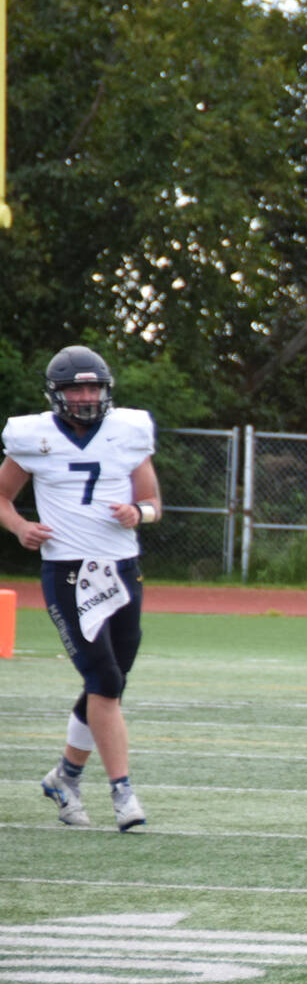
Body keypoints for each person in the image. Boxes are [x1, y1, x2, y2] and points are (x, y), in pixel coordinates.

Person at [1, 346, 161, 832]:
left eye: (93, 387)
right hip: (68, 572)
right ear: (58, 393)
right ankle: (123, 794)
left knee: (110, 681)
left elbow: (153, 500)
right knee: (105, 681)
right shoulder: (33, 437)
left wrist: (140, 514)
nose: (87, 396)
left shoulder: (128, 432)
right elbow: (2, 497)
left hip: (121, 568)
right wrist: (18, 527)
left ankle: (66, 776)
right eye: (77, 388)